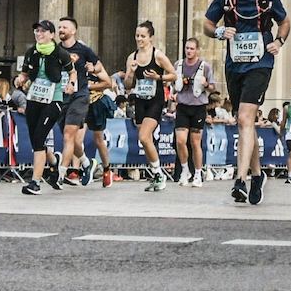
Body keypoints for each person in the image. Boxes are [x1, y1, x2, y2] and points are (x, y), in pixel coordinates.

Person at [207, 0, 291, 207]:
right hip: (234, 63)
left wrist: (279, 41)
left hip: (260, 62)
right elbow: (207, 25)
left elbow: (284, 22)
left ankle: (239, 179)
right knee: (246, 122)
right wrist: (220, 32)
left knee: (244, 118)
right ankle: (257, 175)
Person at [55, 16, 110, 188]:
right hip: (62, 97)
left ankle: (62, 174)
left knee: (68, 136)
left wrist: (93, 68)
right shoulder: (55, 50)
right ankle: (87, 164)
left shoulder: (83, 49)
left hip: (80, 96)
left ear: (73, 31)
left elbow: (99, 67)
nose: (61, 30)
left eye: (64, 27)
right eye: (59, 27)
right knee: (73, 141)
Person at [123, 21, 177, 190]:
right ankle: (155, 174)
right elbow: (127, 85)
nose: (139, 39)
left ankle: (159, 174)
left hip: (156, 99)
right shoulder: (132, 57)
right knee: (146, 141)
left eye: (143, 36)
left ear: (151, 38)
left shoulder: (158, 55)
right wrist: (131, 72)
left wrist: (158, 78)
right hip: (140, 99)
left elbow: (174, 75)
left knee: (144, 137)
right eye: (137, 36)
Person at [17, 20, 68, 194]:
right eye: (37, 31)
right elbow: (24, 74)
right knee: (35, 140)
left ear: (52, 35)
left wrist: (72, 83)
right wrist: (21, 79)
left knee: (39, 140)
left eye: (43, 31)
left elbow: (72, 71)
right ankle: (54, 163)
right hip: (34, 99)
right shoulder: (31, 52)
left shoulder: (60, 53)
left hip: (53, 101)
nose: (39, 34)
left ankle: (35, 182)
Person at [172, 36, 216, 188]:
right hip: (183, 106)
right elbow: (173, 82)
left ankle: (198, 172)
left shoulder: (205, 67)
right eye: (187, 48)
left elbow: (213, 87)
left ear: (197, 50)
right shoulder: (178, 65)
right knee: (180, 140)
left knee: (195, 142)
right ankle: (185, 170)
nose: (189, 51)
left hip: (198, 106)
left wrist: (206, 84)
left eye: (192, 48)